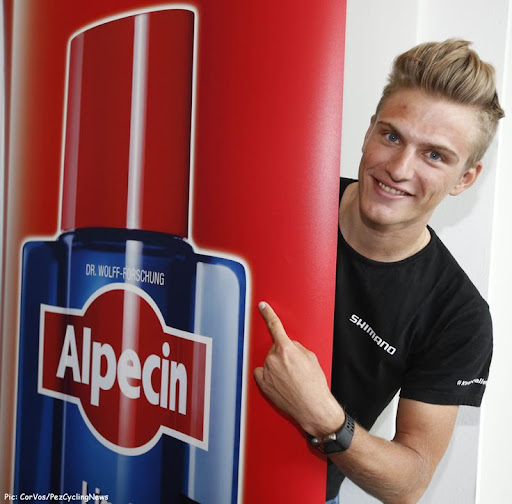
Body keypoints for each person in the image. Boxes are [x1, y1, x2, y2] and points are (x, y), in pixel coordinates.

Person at [254, 39, 504, 504]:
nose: (399, 168)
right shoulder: (281, 202)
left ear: (466, 178)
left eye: (435, 155)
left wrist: (325, 417)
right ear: (369, 130)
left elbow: (410, 482)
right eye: (391, 136)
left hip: (294, 493)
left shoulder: (458, 315)